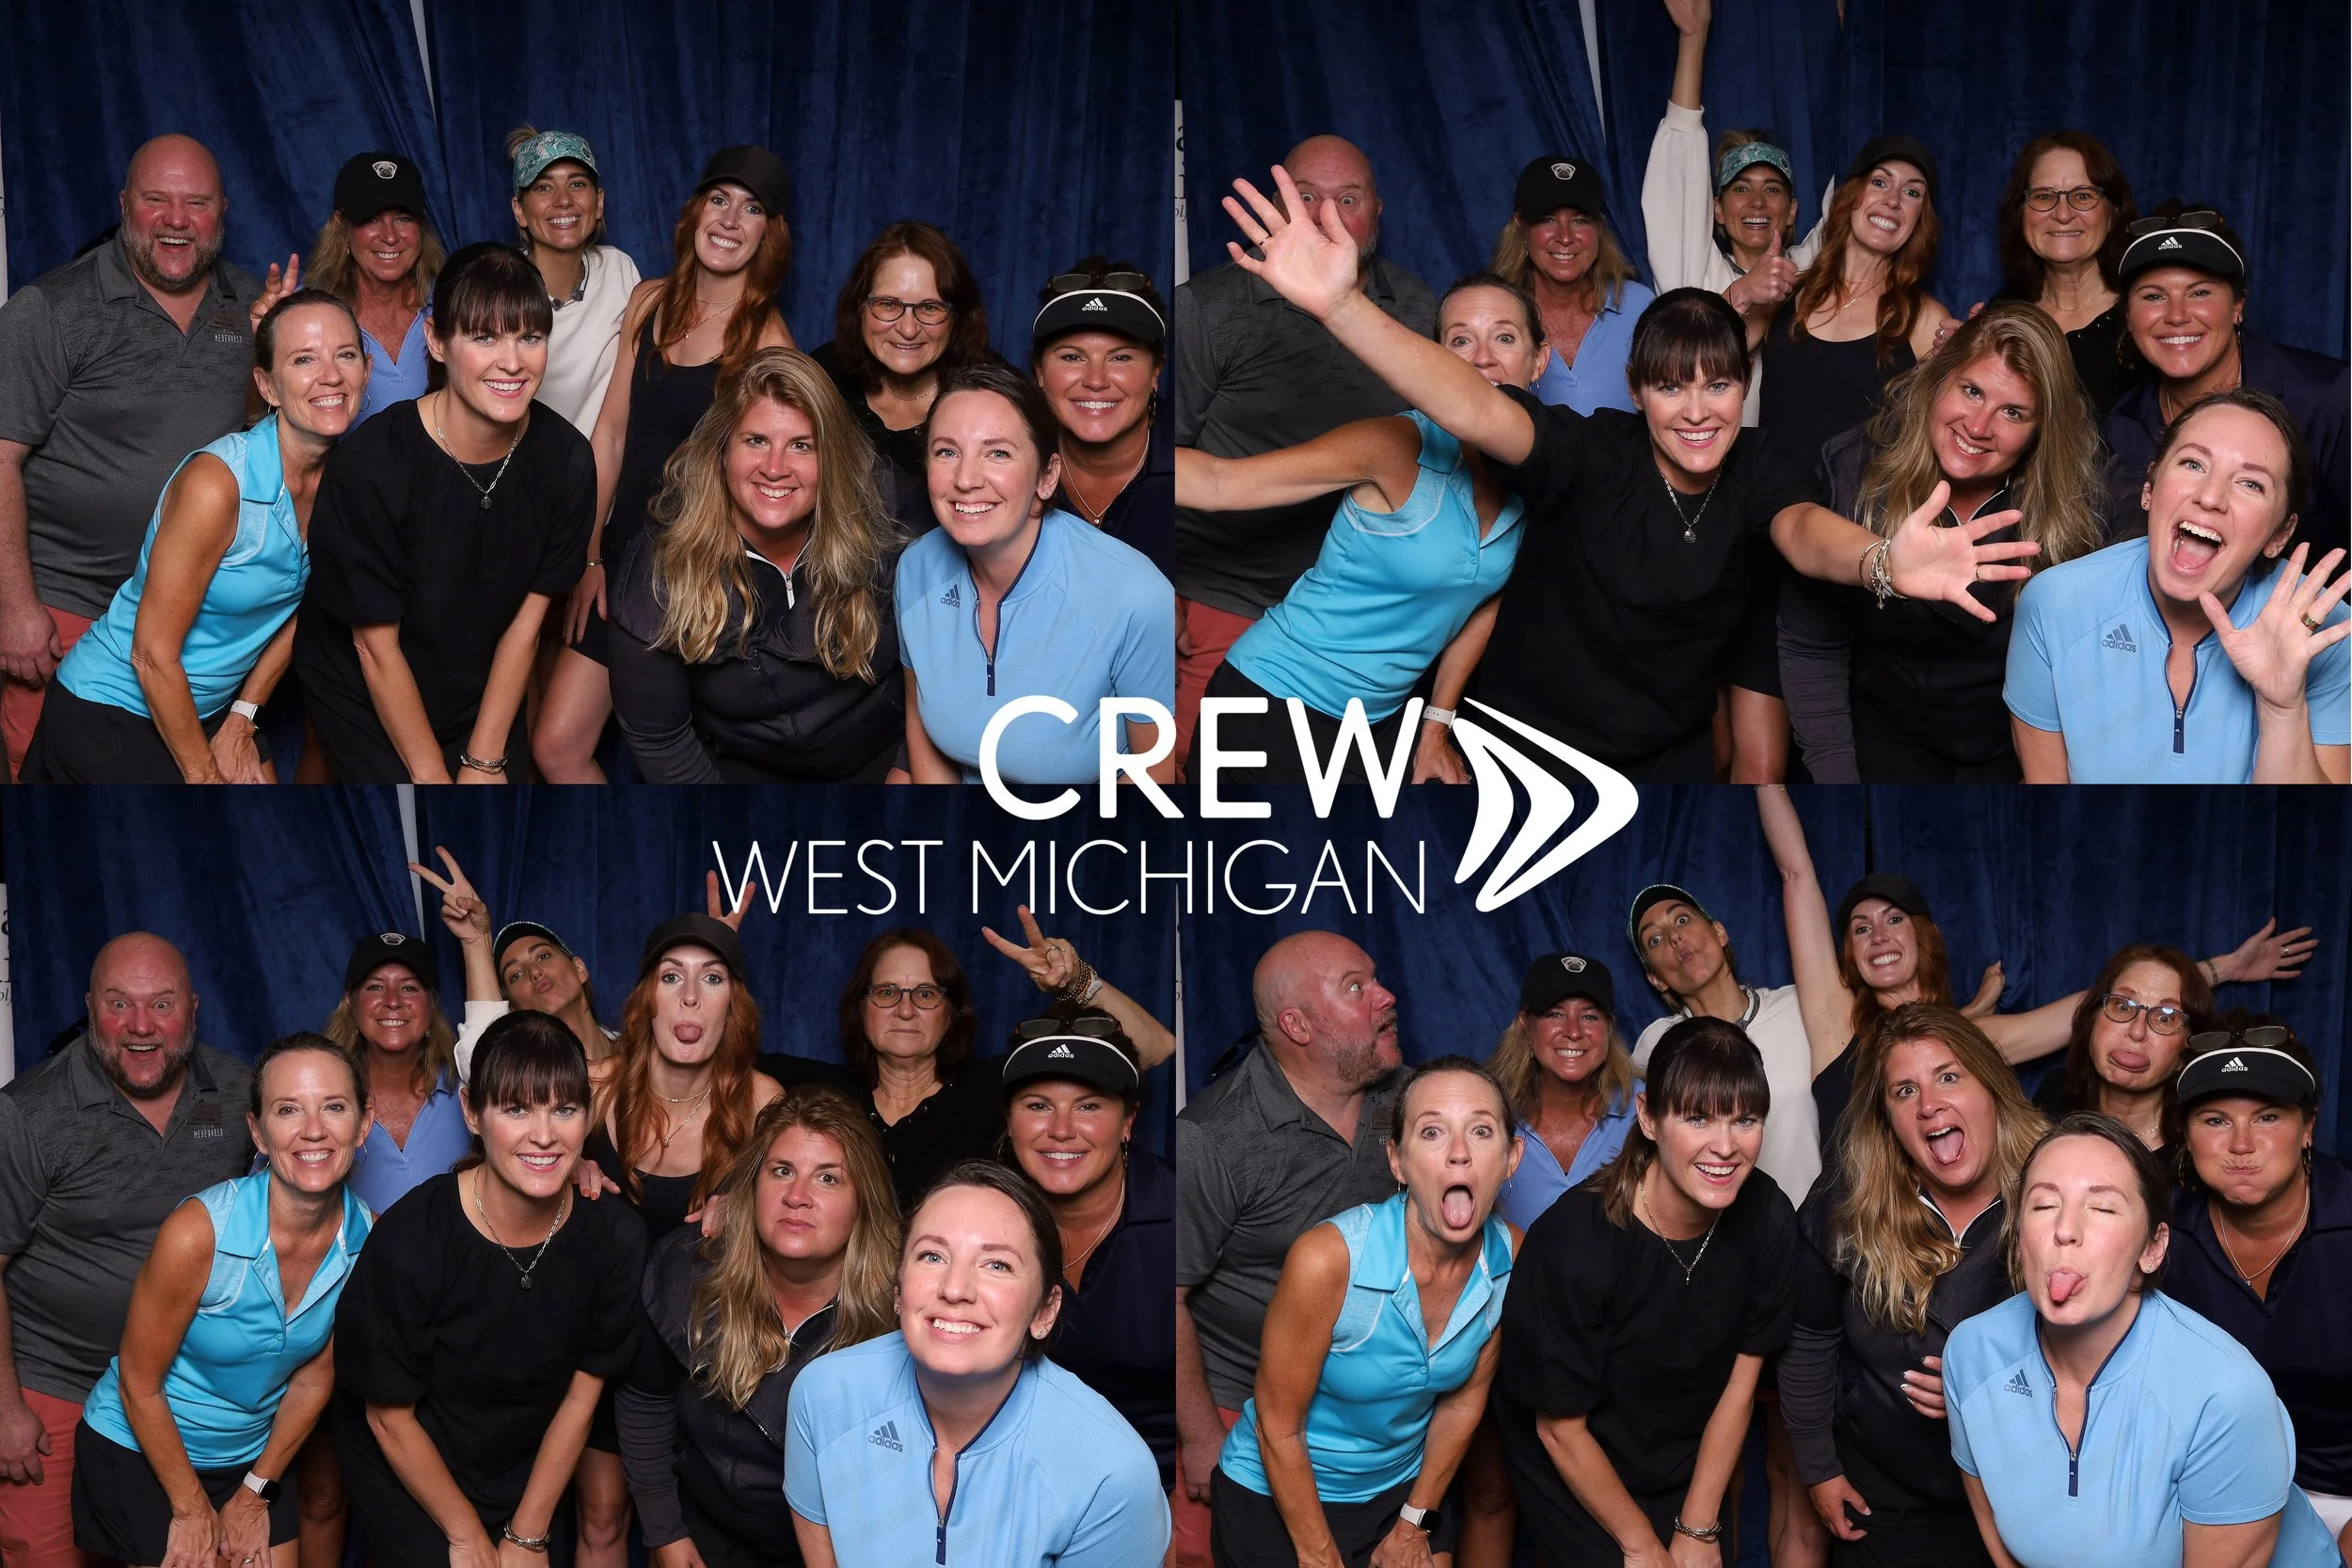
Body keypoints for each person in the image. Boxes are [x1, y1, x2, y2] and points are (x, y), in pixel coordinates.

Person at [1219, 166, 2036, 784]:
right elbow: (1474, 407)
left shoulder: (1758, 467)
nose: (1697, 410)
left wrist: (1881, 561)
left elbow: (1803, 534)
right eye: (1671, 386)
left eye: (1718, 384)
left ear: (1741, 387)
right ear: (1636, 390)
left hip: (1657, 757)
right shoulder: (1591, 448)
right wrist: (1341, 307)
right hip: (1519, 745)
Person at [1753, 785, 2310, 1148]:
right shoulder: (1834, 1024)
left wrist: (2221, 968)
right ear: (1848, 954)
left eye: (1894, 920)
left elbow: (2098, 1007)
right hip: (1846, 1236)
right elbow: (1796, 874)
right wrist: (1761, 771)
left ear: (1925, 938)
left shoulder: (1972, 1036)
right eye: (1860, 928)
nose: (1878, 935)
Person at [1176, 273, 1534, 786]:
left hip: (1381, 723)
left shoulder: (1542, 474)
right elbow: (1217, 483)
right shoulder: (1394, 444)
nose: (1482, 357)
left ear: (1538, 360)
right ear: (1430, 359)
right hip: (1273, 703)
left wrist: (1436, 725)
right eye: (1459, 340)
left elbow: (1482, 604)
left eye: (1504, 337)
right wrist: (1092, 459)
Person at [1943, 1114, 2341, 1568]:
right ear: (2019, 1241)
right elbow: (2000, 1538)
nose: (2065, 1230)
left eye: (2103, 1207)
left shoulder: (2225, 1393)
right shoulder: (1971, 1355)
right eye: (2043, 1204)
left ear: (2152, 1249)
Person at [331, 1012, 646, 1564]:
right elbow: (387, 1415)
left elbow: (581, 1396)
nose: (544, 1135)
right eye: (517, 1108)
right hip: (409, 1462)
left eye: (564, 1109)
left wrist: (528, 1533)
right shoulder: (412, 1239)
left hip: (523, 1464)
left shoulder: (616, 1239)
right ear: (472, 1111)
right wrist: (466, 1536)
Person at [21, 291, 363, 783]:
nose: (330, 375)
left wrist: (243, 716)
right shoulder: (219, 484)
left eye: (345, 354)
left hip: (214, 708)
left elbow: (310, 608)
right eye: (304, 359)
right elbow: (152, 655)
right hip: (113, 707)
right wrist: (205, 778)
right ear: (267, 386)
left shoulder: (350, 480)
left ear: (366, 371)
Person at [0, 135, 262, 776]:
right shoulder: (51, 310)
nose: (176, 219)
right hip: (69, 609)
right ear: (125, 205)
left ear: (223, 211)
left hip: (191, 623)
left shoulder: (250, 305)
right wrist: (14, 608)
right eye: (156, 200)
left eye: (196, 203)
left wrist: (278, 353)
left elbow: (264, 447)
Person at [1173, 135, 1438, 765]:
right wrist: (1162, 592)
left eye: (1347, 199)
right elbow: (1156, 458)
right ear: (1276, 207)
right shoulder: (1208, 309)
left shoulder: (1422, 311)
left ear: (1377, 211)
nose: (1326, 216)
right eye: (1307, 197)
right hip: (1230, 602)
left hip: (1366, 622)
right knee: (1200, 794)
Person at [537, 145, 797, 783]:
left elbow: (783, 485)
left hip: (701, 579)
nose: (731, 219)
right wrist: (592, 556)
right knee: (556, 747)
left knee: (686, 760)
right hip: (622, 559)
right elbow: (612, 435)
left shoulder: (768, 342)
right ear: (694, 211)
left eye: (752, 208)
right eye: (720, 199)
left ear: (768, 233)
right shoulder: (650, 302)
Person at [1497, 1016, 1797, 1566]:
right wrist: (1640, 1547)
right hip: (1572, 1450)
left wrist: (1699, 1527)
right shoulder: (1574, 1244)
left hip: (1679, 1445)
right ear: (1649, 1119)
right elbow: (1560, 1428)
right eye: (1698, 1117)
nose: (1725, 1146)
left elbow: (1741, 1381)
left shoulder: (1769, 1217)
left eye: (1745, 1119)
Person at [294, 241, 596, 783]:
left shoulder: (567, 460)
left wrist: (483, 760)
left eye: (529, 337)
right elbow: (373, 645)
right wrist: (435, 780)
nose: (512, 362)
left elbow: (526, 627)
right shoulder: (371, 465)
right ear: (436, 340)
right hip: (366, 685)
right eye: (484, 337)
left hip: (478, 682)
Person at [68, 1034, 371, 1568]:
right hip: (142, 1446)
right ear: (257, 1130)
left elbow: (313, 1377)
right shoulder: (199, 1232)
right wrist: (190, 1511)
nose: (314, 1129)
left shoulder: (368, 1239)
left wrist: (254, 1492)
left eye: (334, 1106)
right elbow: (139, 1383)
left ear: (363, 1125)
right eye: (287, 1110)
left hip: (252, 1457)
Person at [0, 933, 253, 1568]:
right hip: (56, 1381)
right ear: (90, 1007)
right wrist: (4, 1406)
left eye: (162, 1004)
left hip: (184, 1386)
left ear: (194, 1008)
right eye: (119, 1003)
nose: (141, 1026)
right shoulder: (29, 1113)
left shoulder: (237, 1092)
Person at [1774, 304, 2109, 782]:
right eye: (1971, 391)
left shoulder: (2083, 494)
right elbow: (1812, 644)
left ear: (2040, 431)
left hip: (2014, 747)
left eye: (2012, 412)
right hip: (1884, 738)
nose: (1977, 427)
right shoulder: (1857, 466)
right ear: (1938, 379)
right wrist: (1837, 780)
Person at [1211, 1056, 1517, 1568]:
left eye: (1482, 1131)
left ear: (1512, 1158)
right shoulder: (1329, 1259)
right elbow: (1278, 1425)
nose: (1460, 1154)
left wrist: (1412, 1523)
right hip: (1279, 1495)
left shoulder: (1511, 1260)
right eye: (1433, 1132)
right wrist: (1319, 1554)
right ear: (1396, 1160)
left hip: (1401, 1493)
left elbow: (1463, 1404)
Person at [785, 1159, 1168, 1565]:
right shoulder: (823, 1397)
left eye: (997, 1265)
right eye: (932, 1256)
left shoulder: (1111, 1473)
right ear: (899, 1290)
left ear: (1045, 1310)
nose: (955, 1288)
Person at [1779, 1005, 2045, 1568]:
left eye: (1949, 1076)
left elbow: (2109, 1358)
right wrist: (1819, 1468)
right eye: (1904, 1091)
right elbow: (1809, 1344)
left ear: (1991, 1084)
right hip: (1883, 1499)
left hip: (2023, 1497)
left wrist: (1991, 1399)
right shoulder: (1847, 1205)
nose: (1929, 1105)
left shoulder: (2056, 1191)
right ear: (1887, 1118)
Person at [1173, 932, 1405, 1568]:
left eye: (1375, 977)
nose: (1387, 995)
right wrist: (1198, 1435)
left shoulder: (1413, 1104)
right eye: (1356, 986)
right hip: (1237, 1404)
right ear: (1296, 1024)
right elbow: (1169, 1297)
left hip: (1369, 1411)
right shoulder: (1215, 1137)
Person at [617, 1089, 901, 1568]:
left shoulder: (902, 1312)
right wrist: (665, 1533)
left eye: (827, 1178)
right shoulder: (690, 1269)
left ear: (863, 1203)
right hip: (704, 1537)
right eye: (782, 1171)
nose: (796, 1196)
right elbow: (647, 1403)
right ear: (753, 1185)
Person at [2007, 387, 2350, 783]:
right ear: (2149, 488)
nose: (2210, 497)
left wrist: (2282, 709)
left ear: (2280, 534)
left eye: (2251, 484)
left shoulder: (2325, 631)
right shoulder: (2054, 604)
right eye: (2193, 464)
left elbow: (2311, 833)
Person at [606, 346, 906, 783]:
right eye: (756, 441)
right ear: (722, 448)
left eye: (801, 445)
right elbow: (660, 739)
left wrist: (907, 773)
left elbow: (950, 656)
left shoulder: (886, 507)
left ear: (831, 459)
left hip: (882, 767)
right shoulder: (659, 570)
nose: (775, 468)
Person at [897, 362, 1176, 785]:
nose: (966, 479)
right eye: (947, 452)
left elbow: (1152, 773)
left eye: (998, 453)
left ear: (1047, 476)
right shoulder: (916, 569)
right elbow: (921, 721)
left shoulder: (1135, 595)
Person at [2163, 1020, 2352, 1558]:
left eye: (2267, 1117)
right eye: (2215, 1120)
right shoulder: (2158, 1236)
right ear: (2186, 1133)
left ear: (2308, 1127)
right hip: (2216, 1492)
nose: (2241, 1144)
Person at [836, 919, 1174, 1213]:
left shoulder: (1002, 1084)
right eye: (886, 992)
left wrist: (1076, 982)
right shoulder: (824, 1092)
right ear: (860, 1007)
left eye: (925, 994)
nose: (905, 1010)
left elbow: (1155, 1048)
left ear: (951, 1013)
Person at [2104, 203, 2346, 562]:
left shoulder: (2331, 398)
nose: (2176, 316)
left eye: (2200, 293)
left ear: (2238, 306)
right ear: (2128, 316)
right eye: (2153, 296)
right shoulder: (2121, 427)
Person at [997, 1012, 1175, 1485]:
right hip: (1019, 1477)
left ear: (1128, 1122)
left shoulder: (1184, 1211)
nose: (1060, 1129)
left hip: (1164, 1479)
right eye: (1037, 1106)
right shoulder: (982, 1219)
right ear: (1009, 1121)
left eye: (1089, 1107)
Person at [1644, 0, 1823, 423]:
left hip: (1788, 471)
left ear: (1793, 210)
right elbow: (1679, 153)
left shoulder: (1810, 266)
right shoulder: (1693, 267)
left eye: (1772, 190)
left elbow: (1857, 195)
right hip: (1702, 456)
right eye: (1741, 189)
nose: (1757, 203)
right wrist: (1694, 38)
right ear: (1718, 212)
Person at [1758, 136, 1949, 474]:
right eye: (1879, 182)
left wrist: (1970, 359)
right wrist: (1740, 296)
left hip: (1855, 522)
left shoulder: (1925, 320)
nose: (1892, 201)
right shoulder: (1789, 290)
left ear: (1921, 217)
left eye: (1912, 193)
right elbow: (1710, 356)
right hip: (1765, 513)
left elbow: (1948, 436)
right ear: (1851, 196)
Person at [809, 221, 993, 535]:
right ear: (860, 308)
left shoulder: (992, 391)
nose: (908, 329)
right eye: (888, 304)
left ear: (956, 317)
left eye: (930, 308)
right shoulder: (820, 379)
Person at [1032, 260, 1174, 576]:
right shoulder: (1006, 461)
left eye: (1121, 357)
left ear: (1156, 372)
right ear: (1039, 372)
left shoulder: (1195, 454)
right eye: (1072, 357)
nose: (1096, 380)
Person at [1988, 133, 2141, 415]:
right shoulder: (2000, 315)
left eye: (2083, 196)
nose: (2062, 214)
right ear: (2020, 213)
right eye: (2044, 196)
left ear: (2113, 213)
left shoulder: (2146, 315)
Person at [1493, 155, 1658, 416]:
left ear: (1599, 228)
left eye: (1580, 220)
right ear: (1521, 226)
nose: (1565, 237)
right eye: (1547, 219)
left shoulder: (1640, 306)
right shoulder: (1493, 312)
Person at [1490, 953, 1640, 1232]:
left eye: (1590, 1016)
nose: (1573, 1031)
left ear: (1609, 1027)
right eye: (1555, 1014)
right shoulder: (1486, 1111)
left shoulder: (1646, 1110)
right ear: (1525, 1022)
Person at [506, 128, 642, 435]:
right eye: (543, 188)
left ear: (600, 202)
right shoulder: (501, 288)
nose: (564, 200)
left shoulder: (620, 271)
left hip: (602, 468)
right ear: (519, 210)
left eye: (577, 184)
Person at [326, 931, 469, 1215]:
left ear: (432, 1004)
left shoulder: (469, 1086)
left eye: (409, 988)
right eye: (376, 988)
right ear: (350, 1003)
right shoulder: (323, 1097)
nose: (393, 1001)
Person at [309, 151, 442, 425]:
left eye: (404, 218)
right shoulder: (309, 314)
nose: (390, 236)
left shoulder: (453, 303)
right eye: (372, 219)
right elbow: (267, 421)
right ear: (341, 226)